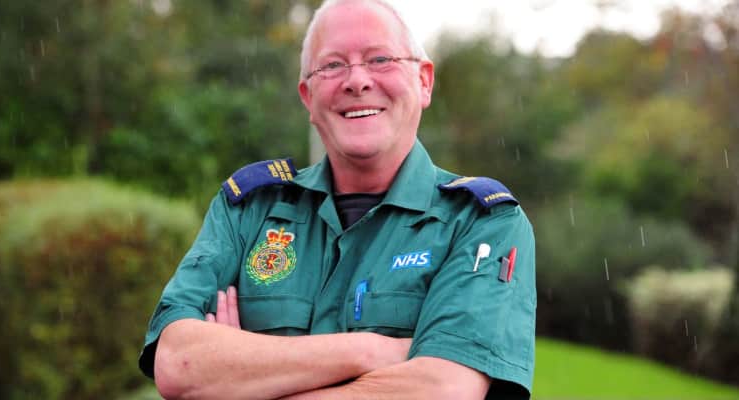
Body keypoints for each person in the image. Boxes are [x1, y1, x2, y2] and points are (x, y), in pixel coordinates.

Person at [138, 0, 536, 398]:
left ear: (424, 81)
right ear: (308, 97)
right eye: (332, 65)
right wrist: (370, 351)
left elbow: (442, 390)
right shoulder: (248, 211)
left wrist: (240, 377)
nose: (357, 81)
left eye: (380, 59)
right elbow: (178, 362)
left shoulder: (481, 223)